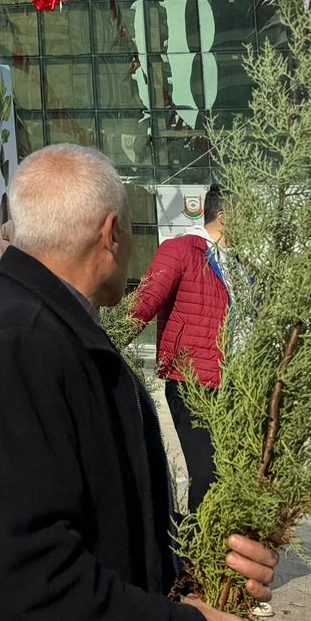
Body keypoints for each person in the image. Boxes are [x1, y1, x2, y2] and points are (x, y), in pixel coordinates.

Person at [0, 145, 277, 621]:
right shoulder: (19, 345)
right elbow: (32, 569)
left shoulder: (49, 329)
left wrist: (198, 572)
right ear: (111, 233)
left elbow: (97, 516)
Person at [128, 183, 231, 512]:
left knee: (232, 477)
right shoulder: (182, 250)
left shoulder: (241, 264)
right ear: (224, 216)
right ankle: (198, 542)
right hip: (193, 383)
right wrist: (103, 344)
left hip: (235, 386)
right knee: (208, 477)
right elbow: (145, 302)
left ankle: (221, 540)